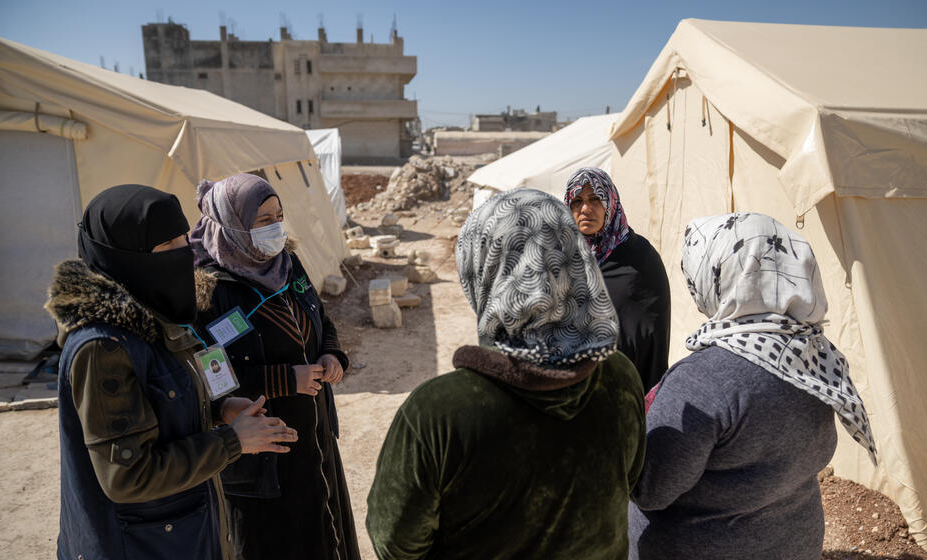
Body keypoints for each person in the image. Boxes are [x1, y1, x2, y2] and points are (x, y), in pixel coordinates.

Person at [366, 188, 646, 560]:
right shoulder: (620, 377)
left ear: (481, 268)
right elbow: (630, 479)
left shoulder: (437, 413)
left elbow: (395, 542)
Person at [47, 184, 298, 560]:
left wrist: (218, 410)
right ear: (125, 256)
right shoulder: (102, 347)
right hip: (138, 546)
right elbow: (128, 476)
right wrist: (232, 441)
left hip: (180, 535)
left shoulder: (154, 315)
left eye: (184, 239)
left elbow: (160, 404)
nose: (184, 254)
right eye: (167, 246)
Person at [628, 212, 878, 560]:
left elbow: (650, 488)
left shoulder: (702, 380)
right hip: (793, 545)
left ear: (721, 276)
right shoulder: (814, 358)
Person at [189, 173, 360, 560]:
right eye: (264, 220)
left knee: (325, 530)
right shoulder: (209, 289)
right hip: (263, 453)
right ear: (233, 224)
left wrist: (331, 355)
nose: (277, 227)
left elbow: (321, 318)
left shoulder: (287, 266)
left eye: (279, 215)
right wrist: (286, 380)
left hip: (313, 436)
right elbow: (210, 377)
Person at [564, 167, 670, 393]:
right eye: (577, 200)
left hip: (627, 386)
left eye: (595, 199)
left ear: (609, 202)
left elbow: (649, 331)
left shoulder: (639, 257)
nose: (585, 209)